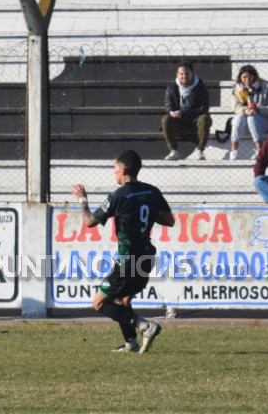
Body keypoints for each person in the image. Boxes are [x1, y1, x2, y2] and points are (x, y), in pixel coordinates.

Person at [72, 150, 175, 353]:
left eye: (115, 169)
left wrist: (82, 200)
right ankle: (131, 343)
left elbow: (89, 222)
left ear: (124, 170)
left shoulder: (118, 195)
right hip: (146, 257)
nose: (114, 173)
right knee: (123, 301)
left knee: (100, 303)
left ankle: (145, 326)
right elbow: (169, 221)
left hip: (129, 260)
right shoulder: (152, 191)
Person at [161, 61, 212, 161]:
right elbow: (168, 106)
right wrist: (172, 112)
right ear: (177, 75)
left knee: (204, 118)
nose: (184, 76)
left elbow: (204, 109)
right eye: (181, 74)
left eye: (187, 73)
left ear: (192, 73)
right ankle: (173, 151)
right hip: (179, 122)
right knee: (166, 119)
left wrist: (183, 114)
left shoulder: (201, 87)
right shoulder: (171, 88)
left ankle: (200, 150)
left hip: (195, 122)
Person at [229, 64, 268, 160]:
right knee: (238, 118)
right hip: (243, 124)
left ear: (254, 77)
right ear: (240, 78)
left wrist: (259, 110)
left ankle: (260, 151)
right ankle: (234, 151)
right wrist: (246, 110)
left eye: (250, 77)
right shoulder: (237, 89)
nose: (247, 79)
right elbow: (236, 107)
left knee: (252, 118)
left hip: (264, 122)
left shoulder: (265, 87)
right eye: (244, 77)